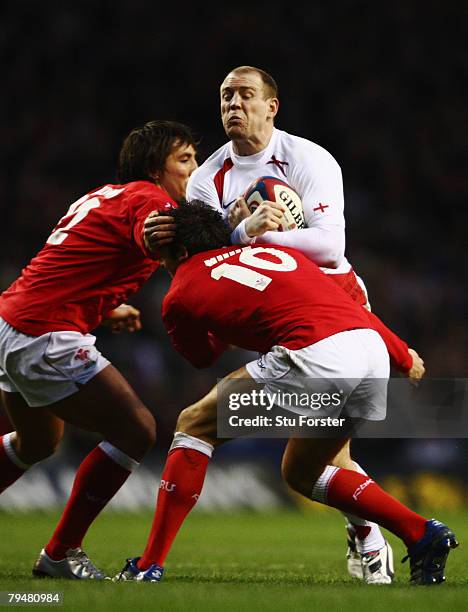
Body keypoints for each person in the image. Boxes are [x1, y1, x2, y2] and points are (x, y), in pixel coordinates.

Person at [143, 65, 423, 583]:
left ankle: (377, 537)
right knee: (320, 455)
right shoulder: (209, 177)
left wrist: (256, 237)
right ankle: (381, 536)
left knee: (313, 451)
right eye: (226, 96)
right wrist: (239, 228)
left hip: (334, 299)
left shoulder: (308, 158)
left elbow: (329, 245)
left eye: (246, 95)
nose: (233, 105)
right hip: (274, 304)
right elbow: (205, 252)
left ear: (272, 106)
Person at [116, 201, 457, 586]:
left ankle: (148, 565)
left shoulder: (178, 292)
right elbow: (348, 307)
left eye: (163, 257)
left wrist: (223, 329)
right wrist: (400, 353)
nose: (162, 265)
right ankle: (422, 533)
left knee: (194, 425)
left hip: (316, 355)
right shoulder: (274, 251)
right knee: (302, 472)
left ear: (180, 252)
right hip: (371, 353)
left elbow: (200, 356)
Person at [0, 120, 198, 579]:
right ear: (155, 167)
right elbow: (156, 235)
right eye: (184, 160)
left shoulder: (106, 194)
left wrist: (106, 310)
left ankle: (60, 553)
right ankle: (60, 553)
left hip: (13, 322)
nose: (194, 169)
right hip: (44, 333)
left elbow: (70, 266)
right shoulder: (153, 201)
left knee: (37, 442)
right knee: (138, 430)